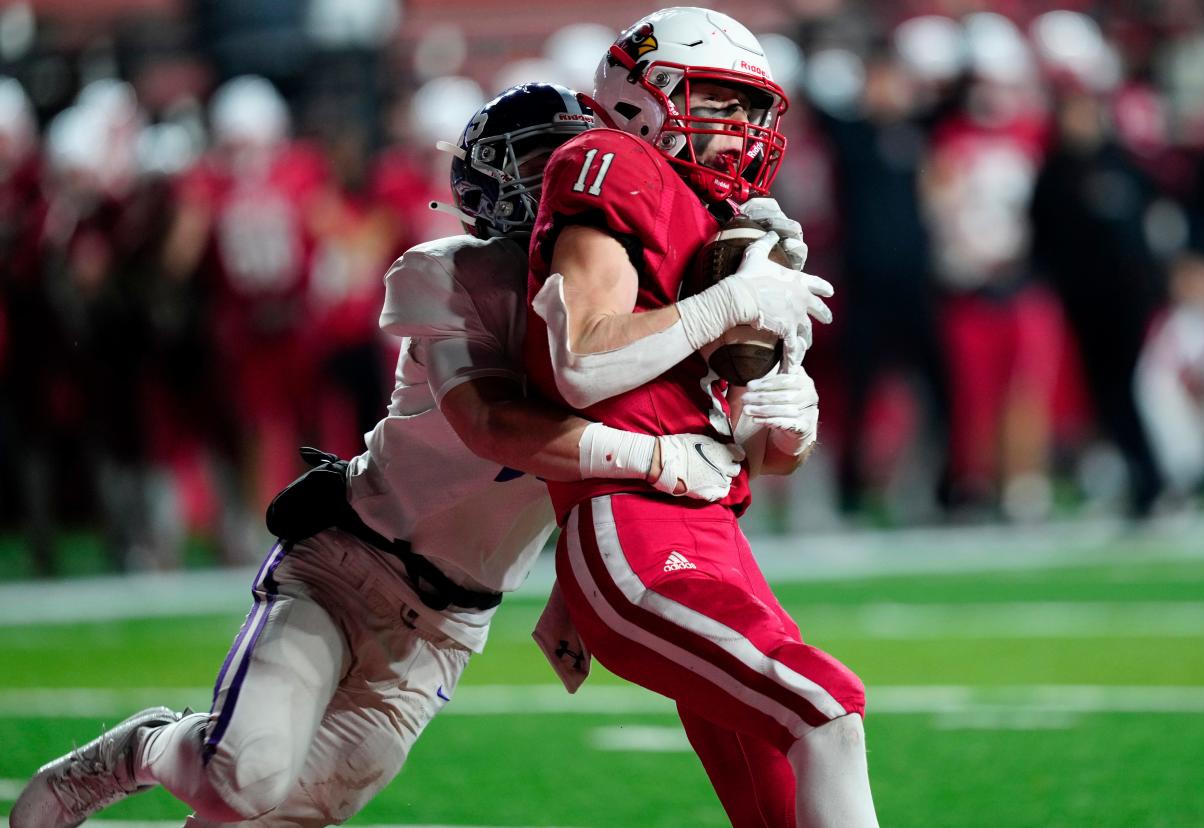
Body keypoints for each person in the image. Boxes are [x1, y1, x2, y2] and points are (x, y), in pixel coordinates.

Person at [9, 82, 754, 828]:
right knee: (240, 780)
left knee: (276, 814)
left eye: (568, 156)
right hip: (348, 565)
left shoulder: (628, 305)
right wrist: (653, 456)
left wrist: (571, 591)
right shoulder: (447, 271)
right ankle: (136, 752)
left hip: (448, 629)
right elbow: (494, 424)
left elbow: (598, 475)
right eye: (535, 162)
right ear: (486, 181)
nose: (555, 178)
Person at [523, 9, 878, 827]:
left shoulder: (719, 216)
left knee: (780, 804)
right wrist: (731, 301)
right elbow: (582, 364)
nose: (743, 129)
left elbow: (761, 451)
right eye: (721, 101)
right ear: (645, 96)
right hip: (635, 528)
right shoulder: (612, 161)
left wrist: (790, 419)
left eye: (752, 109)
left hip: (716, 526)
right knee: (825, 706)